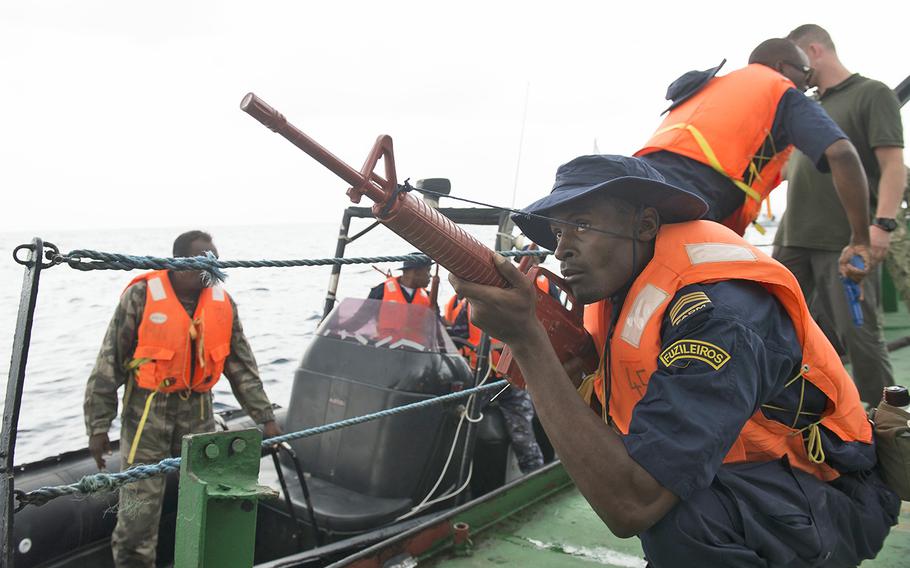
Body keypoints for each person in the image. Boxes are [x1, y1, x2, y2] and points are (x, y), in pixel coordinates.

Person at [451, 155, 899, 566]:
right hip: (761, 472)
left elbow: (632, 505)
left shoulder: (717, 315)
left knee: (681, 521)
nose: (562, 248)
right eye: (558, 232)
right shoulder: (622, 293)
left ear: (645, 224)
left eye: (582, 225)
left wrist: (528, 342)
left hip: (835, 492)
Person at [84, 230, 282, 568]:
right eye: (203, 261)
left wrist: (265, 417)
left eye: (215, 261)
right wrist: (98, 426)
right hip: (148, 411)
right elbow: (109, 364)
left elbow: (242, 368)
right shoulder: (141, 296)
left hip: (199, 409)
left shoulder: (223, 304)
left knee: (210, 493)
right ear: (179, 262)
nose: (210, 269)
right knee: (138, 510)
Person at [635, 38, 872, 279]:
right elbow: (842, 153)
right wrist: (861, 240)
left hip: (632, 186)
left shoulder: (713, 88)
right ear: (782, 68)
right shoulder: (781, 90)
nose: (808, 84)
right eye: (805, 73)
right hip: (685, 205)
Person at [773, 24, 906, 407]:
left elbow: (893, 164)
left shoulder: (872, 94)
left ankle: (888, 425)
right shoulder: (807, 107)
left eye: (795, 64)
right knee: (776, 322)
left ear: (814, 51)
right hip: (792, 237)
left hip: (844, 241)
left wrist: (881, 225)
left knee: (860, 335)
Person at [367, 254, 433, 305]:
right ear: (415, 272)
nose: (430, 276)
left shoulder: (429, 296)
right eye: (428, 270)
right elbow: (360, 319)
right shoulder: (380, 291)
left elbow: (437, 321)